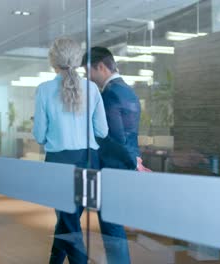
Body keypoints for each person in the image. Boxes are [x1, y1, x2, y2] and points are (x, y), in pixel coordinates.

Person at [33, 38, 108, 264]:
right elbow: (102, 131)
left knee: (68, 221)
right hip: (89, 160)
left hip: (59, 162)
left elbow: (39, 136)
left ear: (52, 61)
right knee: (70, 220)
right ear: (77, 60)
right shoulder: (92, 88)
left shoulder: (44, 90)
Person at [82, 46, 145, 263]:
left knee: (111, 227)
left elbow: (112, 138)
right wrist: (134, 160)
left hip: (112, 168)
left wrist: (132, 162)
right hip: (125, 164)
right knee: (115, 224)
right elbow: (129, 136)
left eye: (87, 71)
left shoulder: (109, 95)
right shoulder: (128, 90)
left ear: (100, 67)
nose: (87, 77)